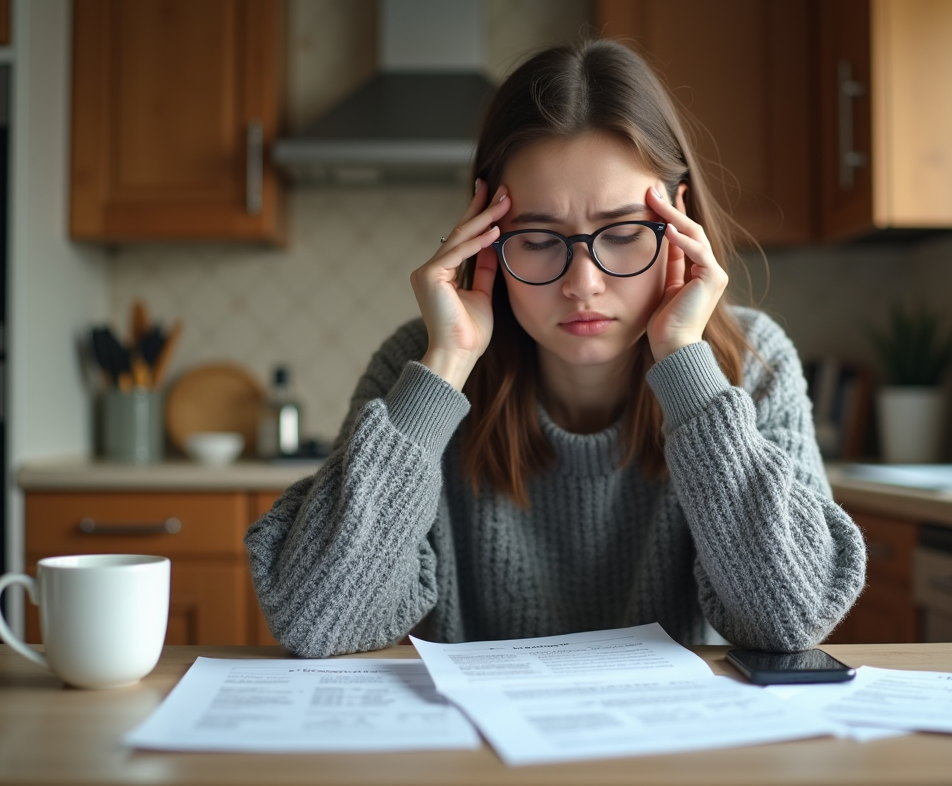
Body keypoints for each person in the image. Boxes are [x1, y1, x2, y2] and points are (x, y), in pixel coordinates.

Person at [245, 39, 865, 658]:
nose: (583, 283)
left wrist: (685, 364)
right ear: (486, 237)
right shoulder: (421, 359)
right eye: (539, 240)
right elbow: (313, 620)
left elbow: (792, 619)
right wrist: (446, 365)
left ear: (681, 222)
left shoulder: (750, 360)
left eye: (624, 233)